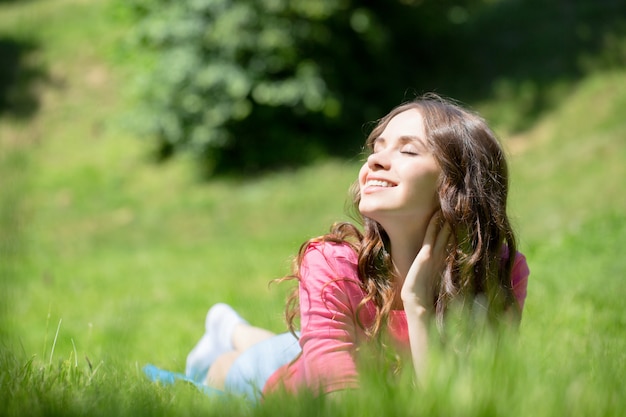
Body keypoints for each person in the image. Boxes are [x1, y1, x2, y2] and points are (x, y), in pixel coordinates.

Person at [148, 94, 529, 402]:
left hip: (341, 347)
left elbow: (471, 403)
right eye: (376, 147)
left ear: (458, 186)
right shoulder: (333, 264)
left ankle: (232, 328)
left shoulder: (496, 272)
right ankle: (226, 336)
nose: (376, 160)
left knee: (295, 345)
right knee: (230, 370)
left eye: (408, 151)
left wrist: (417, 306)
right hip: (285, 380)